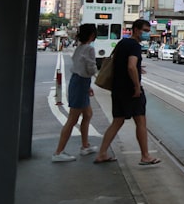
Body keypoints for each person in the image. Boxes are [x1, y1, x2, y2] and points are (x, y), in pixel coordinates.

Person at [94, 19, 161, 166]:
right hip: (130, 90)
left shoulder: (122, 43)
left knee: (117, 121)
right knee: (140, 121)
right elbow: (131, 66)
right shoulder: (134, 46)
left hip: (117, 89)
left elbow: (123, 64)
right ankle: (145, 156)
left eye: (148, 31)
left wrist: (138, 68)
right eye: (145, 30)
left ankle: (102, 153)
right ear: (136, 30)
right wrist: (137, 87)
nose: (147, 34)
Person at [52, 24, 99, 162]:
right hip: (80, 84)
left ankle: (85, 146)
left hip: (79, 83)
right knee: (72, 119)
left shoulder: (79, 48)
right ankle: (58, 152)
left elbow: (79, 67)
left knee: (88, 114)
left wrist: (88, 86)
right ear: (92, 35)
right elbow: (90, 69)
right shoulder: (89, 49)